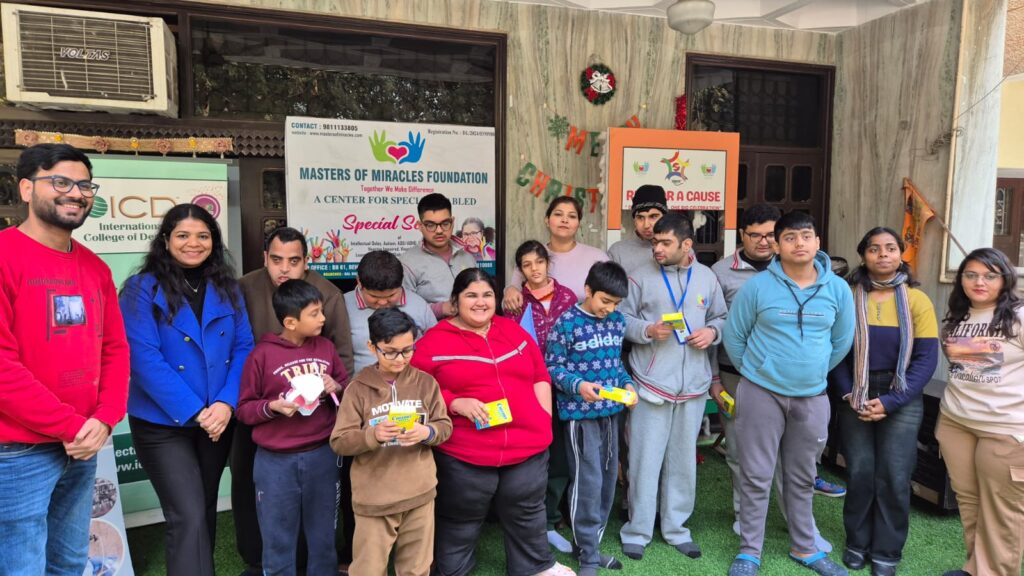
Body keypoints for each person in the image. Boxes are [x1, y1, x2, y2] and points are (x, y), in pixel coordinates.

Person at [0, 143, 130, 574]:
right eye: (60, 182)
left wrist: (105, 418)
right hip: (16, 453)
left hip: (82, 446)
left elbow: (114, 349)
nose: (76, 193)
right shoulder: (4, 256)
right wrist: (72, 426)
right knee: (21, 567)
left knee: (70, 562)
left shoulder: (95, 267)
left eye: (84, 185)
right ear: (26, 188)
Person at [410, 268, 574, 576]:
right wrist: (454, 402)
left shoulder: (512, 330)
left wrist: (543, 418)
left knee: (527, 508)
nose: (480, 302)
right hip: (466, 450)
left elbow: (539, 374)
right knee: (460, 516)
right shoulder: (434, 341)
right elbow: (416, 387)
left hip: (526, 443)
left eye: (487, 295)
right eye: (471, 295)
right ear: (455, 301)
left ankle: (535, 566)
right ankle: (453, 570)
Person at [120, 203, 254, 576]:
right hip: (163, 424)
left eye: (202, 236)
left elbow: (244, 347)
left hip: (217, 420)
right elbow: (143, 358)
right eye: (182, 235)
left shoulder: (227, 287)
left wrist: (226, 403)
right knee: (189, 513)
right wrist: (197, 411)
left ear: (214, 241)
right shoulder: (140, 289)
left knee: (204, 506)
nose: (193, 243)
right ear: (165, 240)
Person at [723, 211, 854, 576]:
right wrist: (760, 371)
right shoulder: (757, 287)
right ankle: (750, 551)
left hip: (812, 396)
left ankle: (805, 547)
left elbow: (842, 341)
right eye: (790, 237)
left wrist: (811, 370)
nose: (799, 243)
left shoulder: (837, 289)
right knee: (755, 474)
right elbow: (735, 336)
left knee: (802, 475)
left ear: (817, 242)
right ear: (777, 245)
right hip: (760, 393)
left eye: (806, 236)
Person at [235, 226, 355, 575]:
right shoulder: (246, 297)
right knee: (275, 526)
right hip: (273, 448)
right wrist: (270, 407)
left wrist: (335, 387)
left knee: (322, 527)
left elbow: (342, 367)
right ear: (265, 259)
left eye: (293, 261)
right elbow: (246, 406)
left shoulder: (327, 308)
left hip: (320, 447)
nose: (284, 268)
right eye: (276, 260)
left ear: (306, 262)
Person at [616, 212, 726, 562]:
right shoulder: (639, 277)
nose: (657, 248)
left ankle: (676, 529)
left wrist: (712, 332)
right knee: (644, 461)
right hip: (650, 383)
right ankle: (637, 530)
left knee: (682, 463)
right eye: (654, 242)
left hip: (692, 386)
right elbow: (619, 318)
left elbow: (721, 317)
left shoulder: (707, 277)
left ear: (686, 244)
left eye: (665, 243)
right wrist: (647, 330)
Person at [831, 227, 938, 576]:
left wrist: (892, 401)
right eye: (874, 249)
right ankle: (857, 543)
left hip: (901, 394)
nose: (883, 255)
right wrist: (848, 393)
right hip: (855, 391)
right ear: (863, 255)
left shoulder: (917, 300)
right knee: (860, 471)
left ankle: (887, 551)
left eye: (890, 248)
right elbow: (836, 352)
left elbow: (926, 359)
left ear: (900, 254)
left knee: (894, 474)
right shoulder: (846, 296)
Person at [331, 308, 453, 576]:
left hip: (420, 493)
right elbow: (339, 441)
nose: (400, 359)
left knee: (417, 568)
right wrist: (372, 435)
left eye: (408, 350)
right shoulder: (358, 389)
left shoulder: (426, 383)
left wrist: (427, 432)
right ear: (372, 347)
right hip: (374, 499)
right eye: (390, 352)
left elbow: (445, 427)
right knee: (368, 569)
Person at [935, 247, 1024, 576]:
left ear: (1005, 279)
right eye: (971, 275)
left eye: (989, 275)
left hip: (1005, 429)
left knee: (1002, 511)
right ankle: (975, 567)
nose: (979, 282)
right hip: (956, 423)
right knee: (970, 501)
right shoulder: (959, 316)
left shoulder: (1019, 317)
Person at [545, 261, 637, 575]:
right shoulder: (566, 322)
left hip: (611, 414)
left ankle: (592, 547)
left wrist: (627, 385)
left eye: (615, 304)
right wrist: (578, 386)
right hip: (579, 415)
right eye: (605, 301)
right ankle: (587, 554)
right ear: (588, 290)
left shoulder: (617, 322)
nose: (609, 309)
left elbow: (615, 365)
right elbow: (552, 368)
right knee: (587, 483)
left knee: (608, 482)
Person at [506, 239, 579, 552]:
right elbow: (510, 346)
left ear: (548, 263)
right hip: (530, 390)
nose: (534, 269)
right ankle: (533, 520)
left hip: (565, 389)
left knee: (562, 457)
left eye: (538, 262)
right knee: (534, 456)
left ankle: (554, 517)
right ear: (520, 270)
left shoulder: (568, 297)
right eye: (526, 265)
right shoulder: (514, 302)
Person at [503, 196, 608, 313]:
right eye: (558, 214)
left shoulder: (597, 258)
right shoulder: (531, 256)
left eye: (572, 216)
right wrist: (510, 290)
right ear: (547, 220)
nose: (565, 220)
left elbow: (611, 301)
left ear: (578, 224)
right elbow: (511, 302)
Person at [345, 250, 436, 373]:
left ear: (401, 283)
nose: (383, 303)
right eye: (374, 296)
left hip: (411, 382)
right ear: (359, 282)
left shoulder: (418, 305)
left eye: (391, 295)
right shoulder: (343, 306)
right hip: (361, 382)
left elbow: (436, 345)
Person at [400, 193, 477, 320]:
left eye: (445, 223)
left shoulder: (467, 257)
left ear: (452, 222)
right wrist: (441, 309)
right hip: (433, 329)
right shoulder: (406, 263)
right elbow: (404, 309)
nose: (439, 230)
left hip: (472, 326)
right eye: (430, 225)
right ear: (420, 226)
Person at [608, 184, 668, 274]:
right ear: (634, 220)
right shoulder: (618, 252)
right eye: (640, 217)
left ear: (664, 217)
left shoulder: (680, 249)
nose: (646, 225)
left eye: (653, 216)